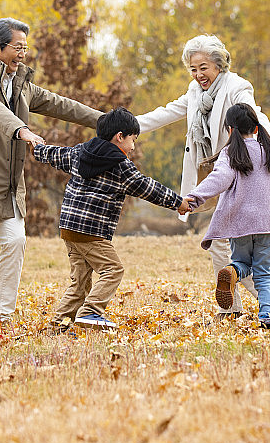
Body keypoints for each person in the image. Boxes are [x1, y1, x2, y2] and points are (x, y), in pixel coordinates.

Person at [0, 17, 104, 329]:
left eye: (25, 48)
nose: (23, 54)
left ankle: (1, 317)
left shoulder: (20, 84)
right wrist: (21, 130)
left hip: (6, 181)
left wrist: (105, 121)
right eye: (18, 48)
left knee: (15, 242)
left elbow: (60, 105)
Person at [136, 34, 270, 318]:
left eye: (203, 67)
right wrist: (131, 124)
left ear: (219, 65)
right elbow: (166, 112)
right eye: (193, 69)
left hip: (237, 169)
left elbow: (255, 114)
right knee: (220, 240)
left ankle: (242, 302)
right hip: (212, 170)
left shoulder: (236, 87)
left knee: (221, 239)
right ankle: (263, 293)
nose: (198, 75)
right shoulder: (195, 93)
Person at [33, 107, 191, 331]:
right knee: (113, 269)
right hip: (92, 231)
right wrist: (178, 202)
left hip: (69, 227)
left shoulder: (81, 151)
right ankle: (91, 312)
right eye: (133, 140)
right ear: (119, 137)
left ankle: (58, 325)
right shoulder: (120, 165)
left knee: (80, 282)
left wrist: (37, 148)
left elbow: (56, 154)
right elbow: (147, 187)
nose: (133, 146)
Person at [185, 103, 270, 329]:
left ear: (229, 130)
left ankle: (233, 270)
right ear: (257, 128)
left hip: (239, 225)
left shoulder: (230, 154)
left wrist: (194, 198)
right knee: (264, 272)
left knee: (241, 261)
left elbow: (217, 180)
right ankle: (268, 317)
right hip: (268, 224)